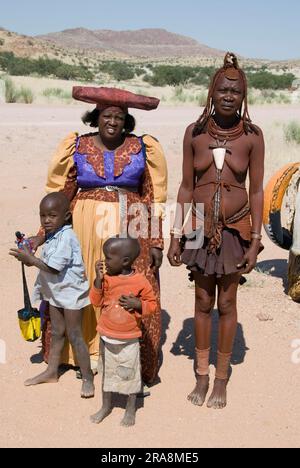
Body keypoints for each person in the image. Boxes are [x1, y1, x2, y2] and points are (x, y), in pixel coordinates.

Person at [30, 87, 167, 386]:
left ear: (126, 121)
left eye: (119, 117)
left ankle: (121, 359)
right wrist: (42, 235)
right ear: (97, 117)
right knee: (78, 286)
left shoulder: (143, 147)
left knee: (126, 286)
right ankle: (75, 357)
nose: (113, 122)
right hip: (81, 228)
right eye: (107, 116)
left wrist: (156, 240)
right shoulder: (76, 146)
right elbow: (62, 193)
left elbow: (152, 195)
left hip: (131, 227)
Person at [168, 53, 265, 409]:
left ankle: (221, 379)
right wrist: (175, 234)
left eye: (235, 92)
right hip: (195, 225)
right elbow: (185, 187)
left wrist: (255, 241)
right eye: (222, 90)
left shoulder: (252, 137)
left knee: (226, 302)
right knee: (201, 300)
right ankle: (201, 374)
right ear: (212, 91)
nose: (228, 96)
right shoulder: (194, 133)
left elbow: (256, 190)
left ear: (244, 96)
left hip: (235, 229)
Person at [9, 192, 94, 398]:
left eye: (52, 216)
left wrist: (31, 259)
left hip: (71, 293)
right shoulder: (53, 235)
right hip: (56, 292)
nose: (46, 220)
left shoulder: (67, 236)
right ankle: (51, 372)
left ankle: (88, 377)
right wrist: (29, 249)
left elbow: (55, 269)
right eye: (43, 216)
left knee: (74, 335)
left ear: (66, 216)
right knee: (57, 332)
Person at [89, 237, 157, 426]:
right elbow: (95, 301)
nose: (104, 261)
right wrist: (97, 280)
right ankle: (105, 406)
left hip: (128, 339)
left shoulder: (140, 281)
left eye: (108, 258)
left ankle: (130, 409)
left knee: (130, 374)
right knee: (107, 373)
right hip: (106, 336)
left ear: (125, 261)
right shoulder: (107, 278)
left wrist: (138, 304)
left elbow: (152, 306)